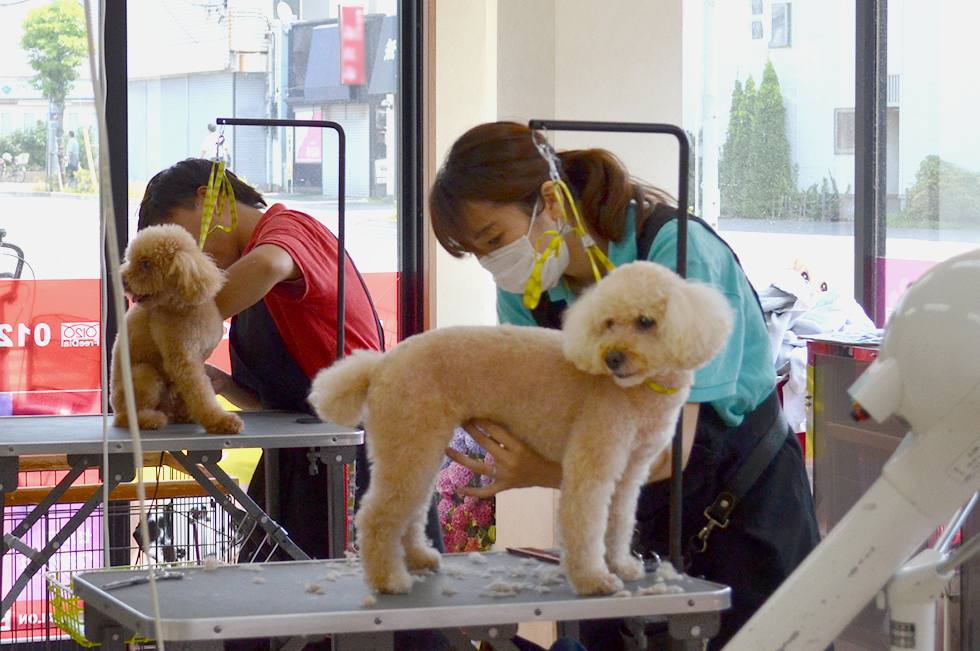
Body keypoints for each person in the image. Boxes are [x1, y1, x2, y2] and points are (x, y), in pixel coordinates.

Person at [428, 122, 821, 650]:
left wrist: (543, 470)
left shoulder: (676, 252)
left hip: (738, 511)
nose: (492, 263)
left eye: (494, 240)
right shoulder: (529, 291)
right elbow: (541, 418)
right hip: (631, 519)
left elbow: (667, 452)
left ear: (550, 199)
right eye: (476, 252)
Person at [138, 158, 450, 650]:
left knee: (385, 611)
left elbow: (268, 265)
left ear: (207, 198)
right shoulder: (248, 276)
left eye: (185, 240)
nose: (191, 261)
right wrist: (218, 384)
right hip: (303, 453)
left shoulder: (285, 231)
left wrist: (175, 331)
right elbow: (280, 398)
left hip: (367, 447)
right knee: (269, 603)